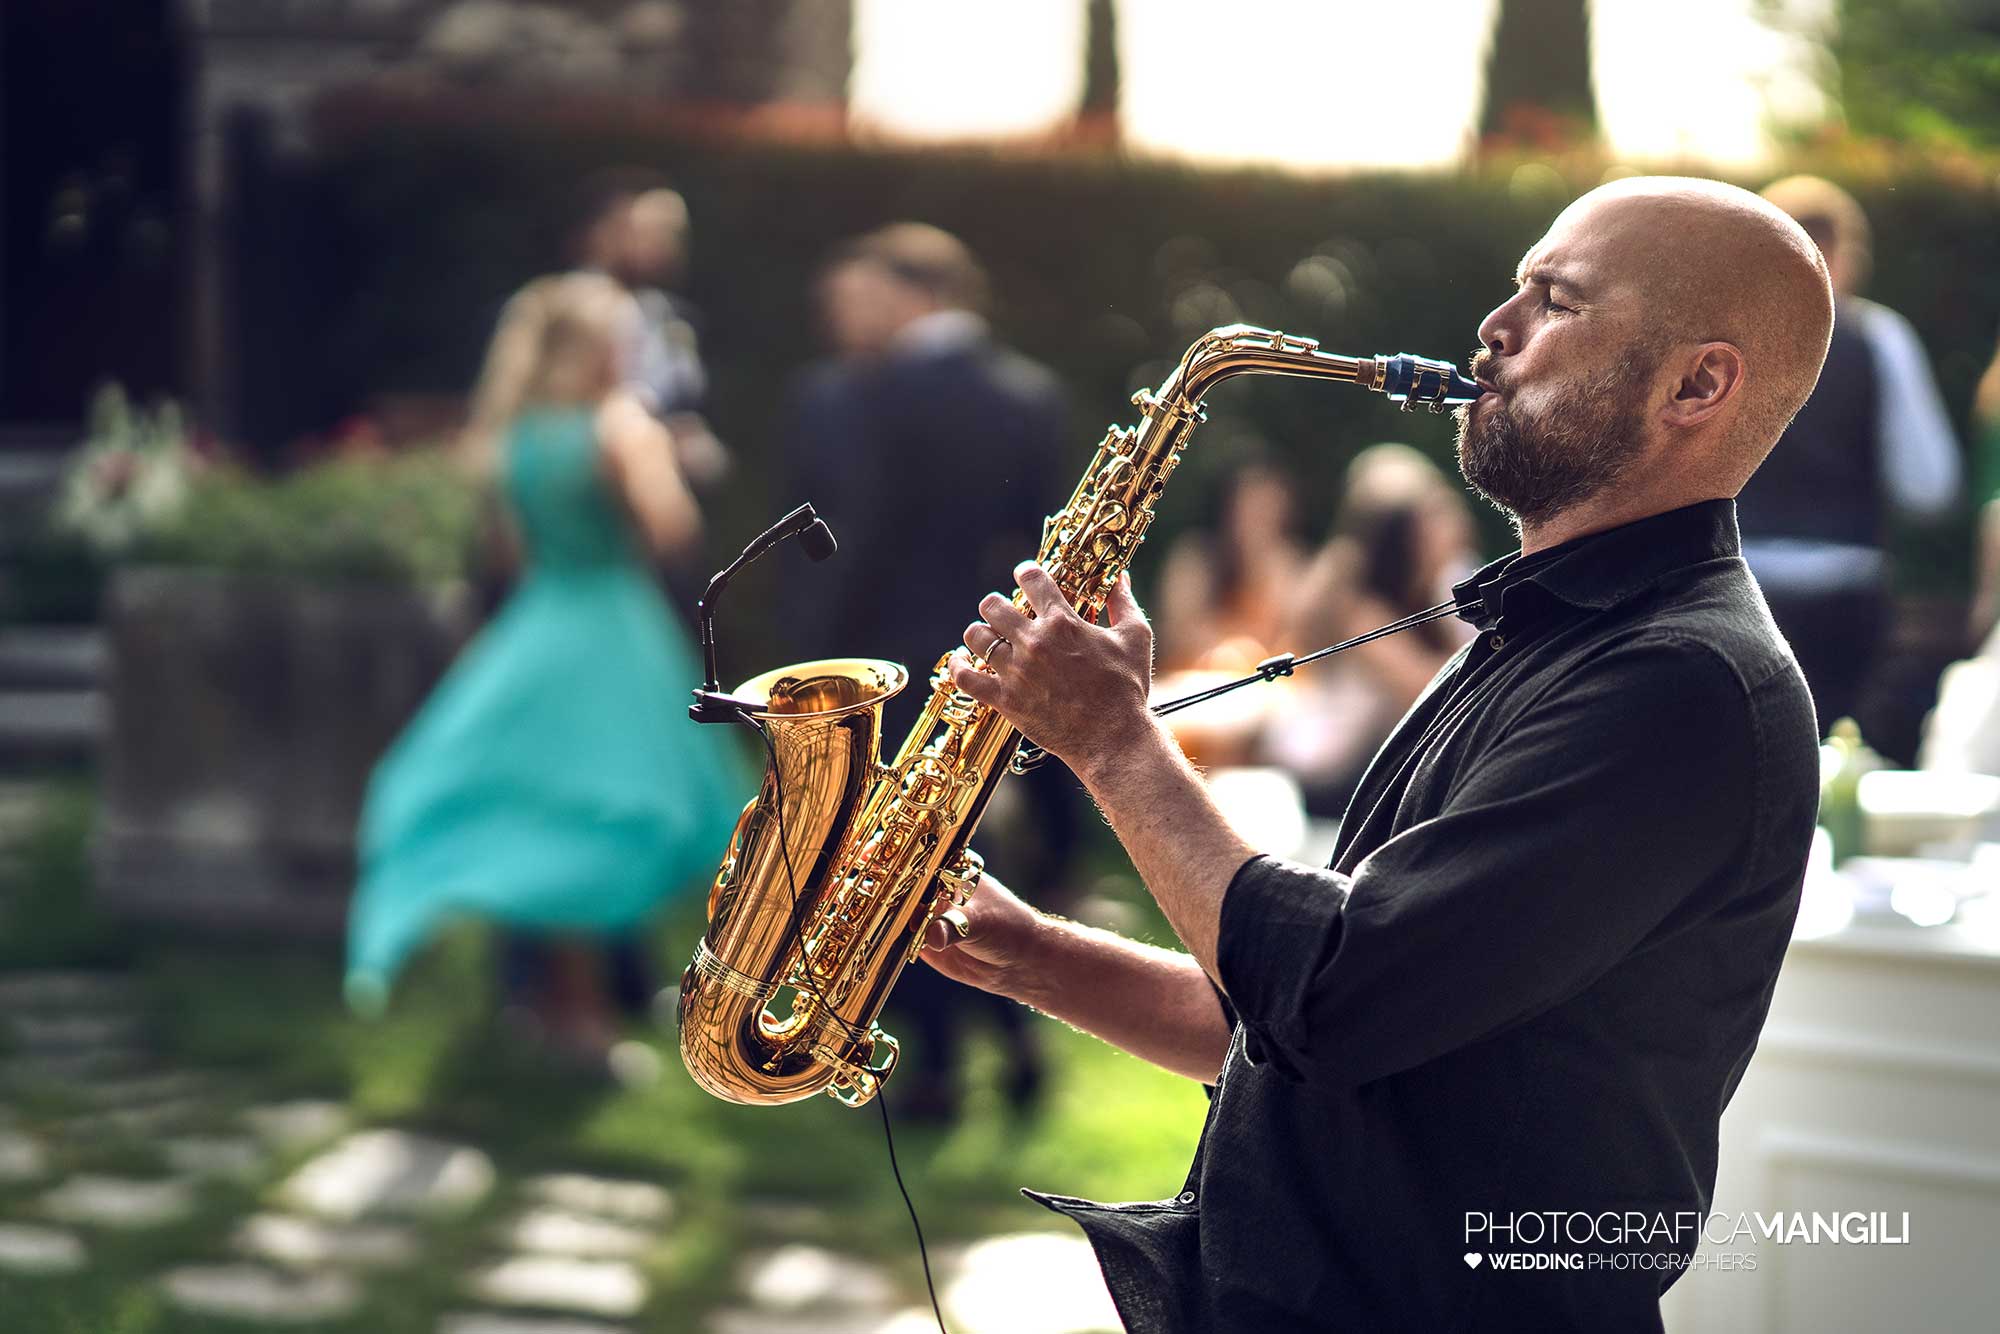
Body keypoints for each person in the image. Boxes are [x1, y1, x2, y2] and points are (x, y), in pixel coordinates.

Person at [921, 177, 1831, 1331]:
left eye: (1554, 300)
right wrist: (1026, 955)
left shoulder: (1679, 682)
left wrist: (1110, 737)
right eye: (1514, 287)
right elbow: (1310, 1030)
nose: (1493, 327)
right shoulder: (1544, 630)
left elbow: (1333, 995)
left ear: (1695, 384)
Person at [346, 273, 751, 1066]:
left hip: (538, 626)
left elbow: (507, 553)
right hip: (614, 627)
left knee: (543, 804)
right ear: (600, 346)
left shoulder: (515, 437)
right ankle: (590, 1018)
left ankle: (536, 1000)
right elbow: (671, 530)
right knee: (609, 813)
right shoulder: (618, 425)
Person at [780, 222, 1074, 1119]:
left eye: (861, 293)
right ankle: (1018, 1038)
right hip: (994, 658)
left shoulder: (857, 394)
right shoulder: (1031, 394)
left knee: (889, 860)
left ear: (915, 292)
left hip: (883, 664)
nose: (843, 314)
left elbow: (848, 548)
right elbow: (1051, 550)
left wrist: (807, 673)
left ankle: (934, 1067)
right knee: (968, 849)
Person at [1736, 175, 1962, 735]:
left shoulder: (1725, 334)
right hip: (1845, 585)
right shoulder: (1878, 337)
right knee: (1831, 750)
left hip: (1736, 580)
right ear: (1849, 254)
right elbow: (1927, 486)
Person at [1262, 443, 1478, 816]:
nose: (1454, 525)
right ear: (1400, 537)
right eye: (1431, 516)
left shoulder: (1439, 586)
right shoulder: (1358, 608)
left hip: (1375, 764)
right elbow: (1432, 684)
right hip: (1327, 775)